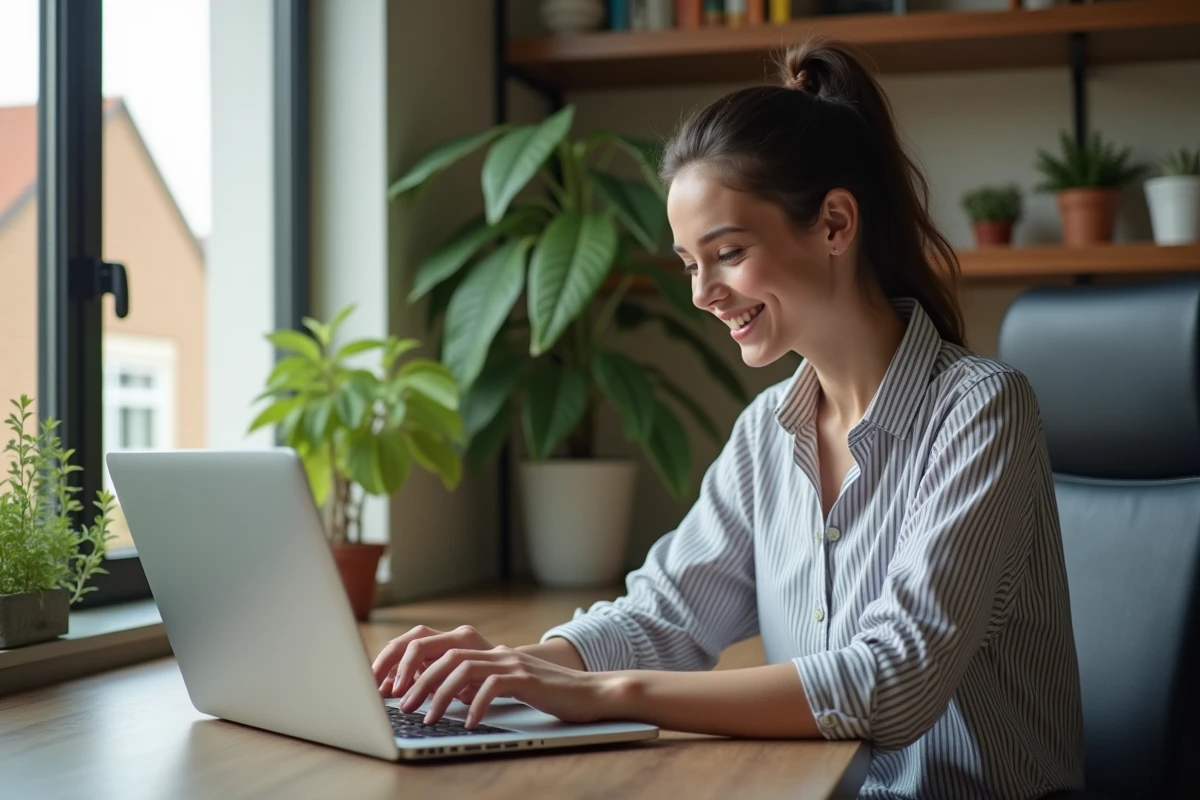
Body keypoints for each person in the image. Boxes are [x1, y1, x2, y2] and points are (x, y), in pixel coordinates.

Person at [371, 39, 1085, 799]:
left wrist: (611, 696)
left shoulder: (981, 410)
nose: (703, 293)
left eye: (728, 253)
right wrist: (508, 666)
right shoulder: (765, 434)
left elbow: (894, 679)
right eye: (688, 264)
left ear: (836, 224)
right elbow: (666, 617)